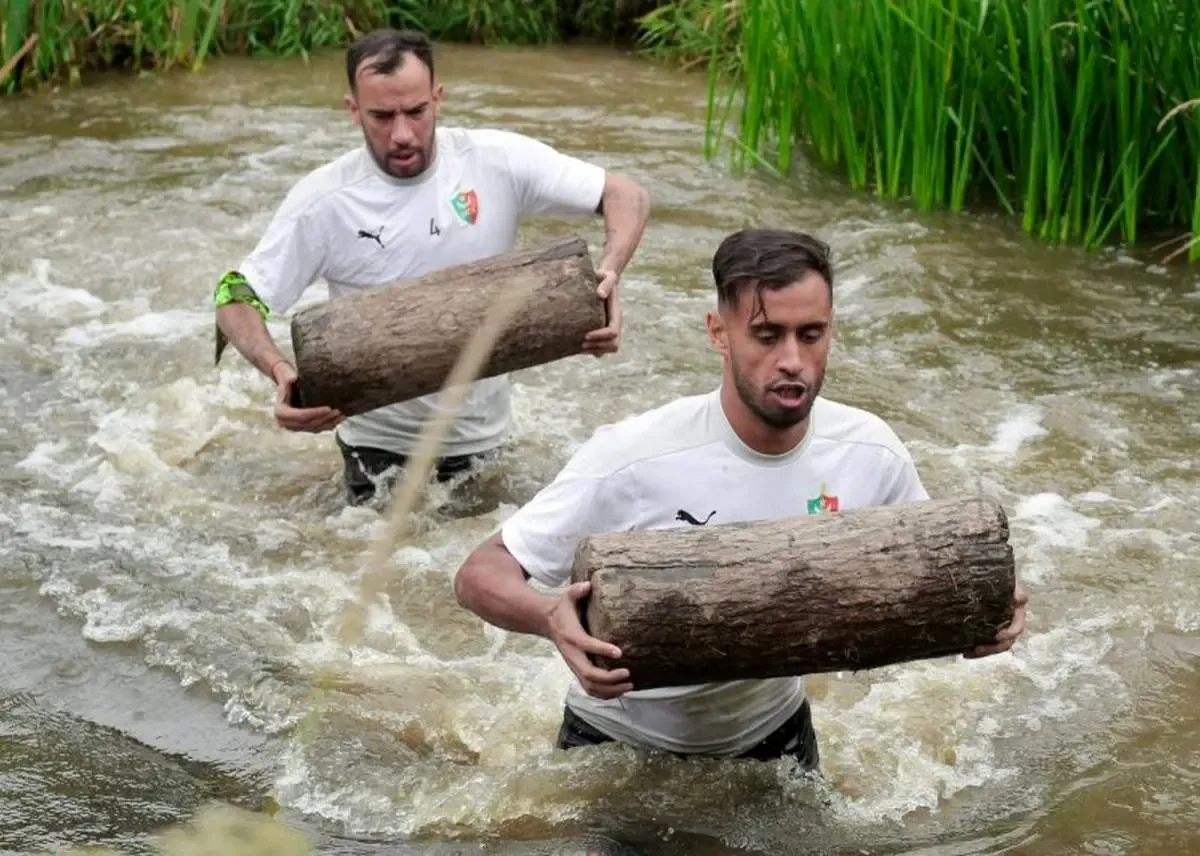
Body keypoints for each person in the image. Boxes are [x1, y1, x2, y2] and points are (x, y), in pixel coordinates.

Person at [453, 227, 1029, 766]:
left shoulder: (869, 451)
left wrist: (986, 613)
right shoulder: (635, 456)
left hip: (777, 743)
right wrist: (551, 617)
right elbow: (481, 572)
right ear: (718, 333)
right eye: (766, 334)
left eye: (811, 334)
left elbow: (933, 578)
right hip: (618, 750)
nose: (793, 361)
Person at [213, 28, 651, 506]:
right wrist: (280, 371)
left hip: (487, 441)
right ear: (353, 110)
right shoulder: (325, 201)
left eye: (416, 111)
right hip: (376, 449)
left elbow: (625, 194)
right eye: (381, 116)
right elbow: (233, 295)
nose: (401, 133)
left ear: (438, 98)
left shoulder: (497, 161)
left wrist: (609, 274)